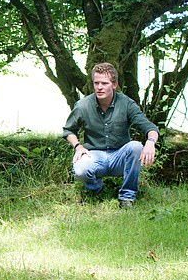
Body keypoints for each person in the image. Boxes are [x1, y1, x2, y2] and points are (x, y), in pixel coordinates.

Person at [62, 62, 159, 209]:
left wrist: (151, 142)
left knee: (136, 147)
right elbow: (69, 130)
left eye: (104, 83)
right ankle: (95, 191)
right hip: (94, 155)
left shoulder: (126, 104)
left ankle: (127, 198)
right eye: (96, 83)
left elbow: (150, 128)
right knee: (80, 169)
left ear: (114, 84)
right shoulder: (82, 106)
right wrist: (78, 146)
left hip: (119, 156)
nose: (99, 87)